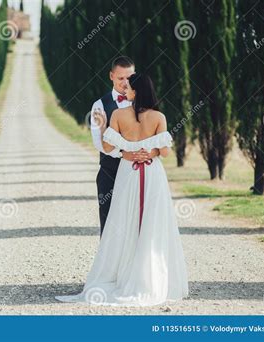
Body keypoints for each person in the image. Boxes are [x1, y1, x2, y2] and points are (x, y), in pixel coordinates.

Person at [56, 73, 188, 306]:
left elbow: (107, 146)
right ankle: (149, 276)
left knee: (125, 218)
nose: (125, 89)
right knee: (151, 221)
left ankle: (121, 272)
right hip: (152, 174)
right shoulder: (159, 116)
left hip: (128, 172)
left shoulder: (118, 115)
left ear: (135, 91)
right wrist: (151, 151)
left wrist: (110, 133)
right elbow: (166, 152)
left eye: (128, 87)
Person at [90, 57, 159, 237]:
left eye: (129, 78)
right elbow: (99, 142)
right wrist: (124, 154)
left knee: (138, 222)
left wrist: (148, 153)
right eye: (120, 78)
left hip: (139, 173)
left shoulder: (147, 106)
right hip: (110, 171)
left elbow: (157, 137)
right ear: (111, 76)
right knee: (109, 222)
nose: (125, 83)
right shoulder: (100, 105)